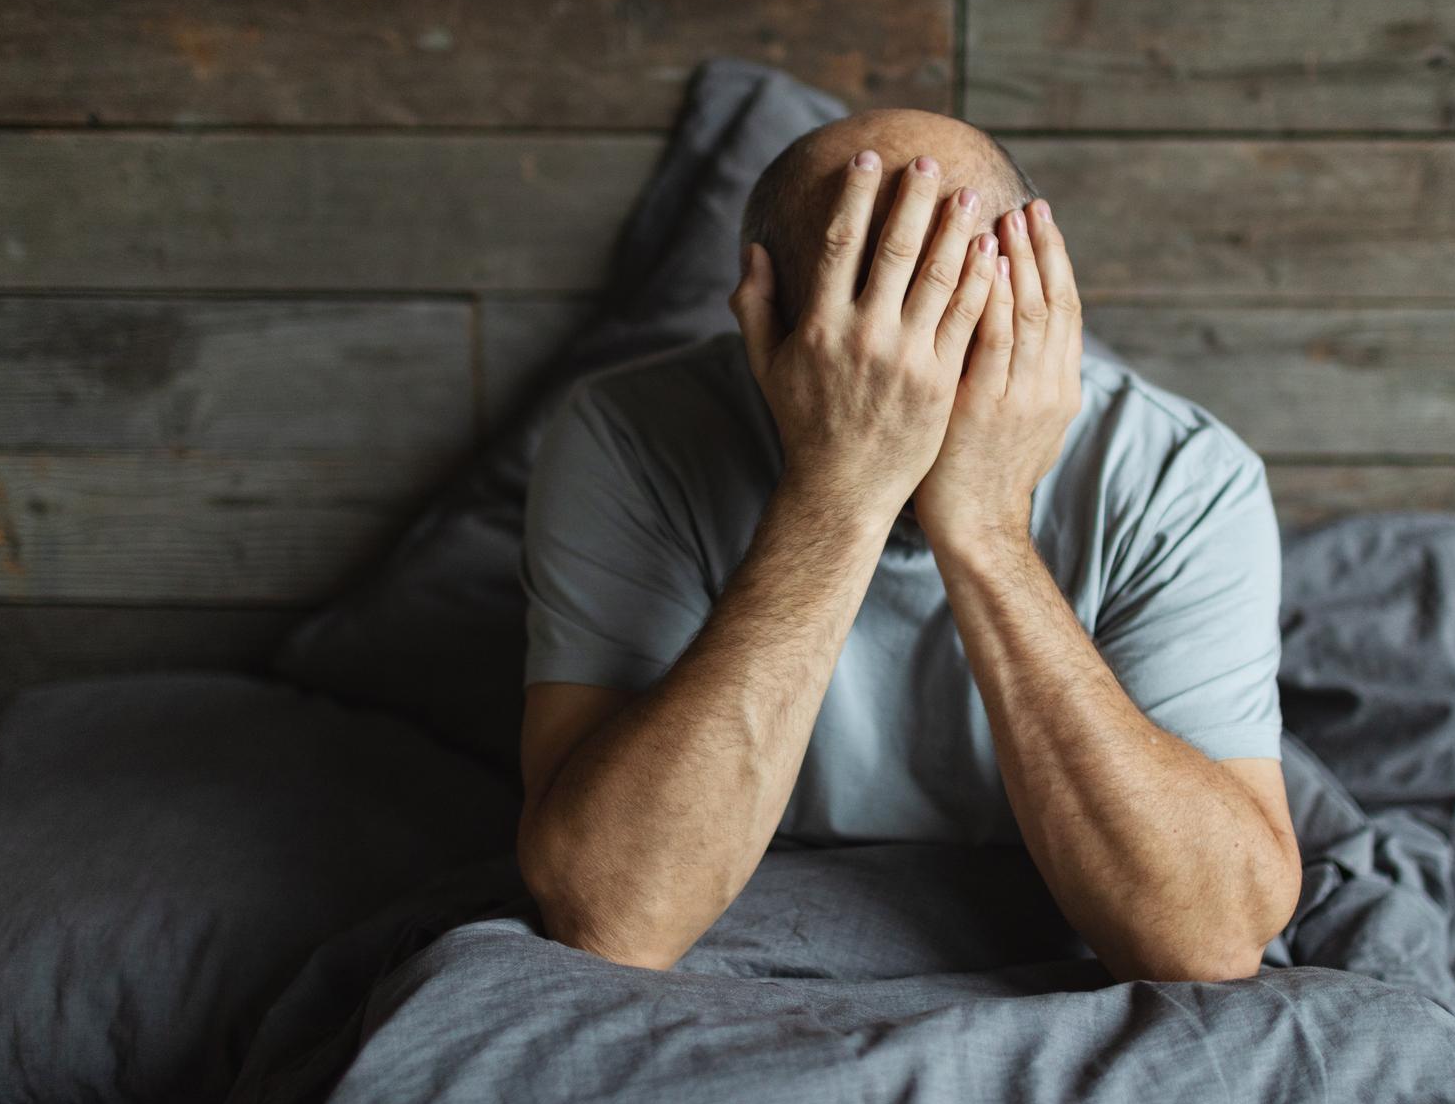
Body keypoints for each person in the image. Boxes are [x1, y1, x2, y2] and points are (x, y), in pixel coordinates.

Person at [514, 107, 1299, 983]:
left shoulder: (1183, 472)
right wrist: (838, 490)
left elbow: (1208, 941)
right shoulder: (627, 436)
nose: (911, 389)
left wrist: (989, 528)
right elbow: (614, 918)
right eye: (867, 340)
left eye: (955, 325)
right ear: (766, 323)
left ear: (1040, 302)